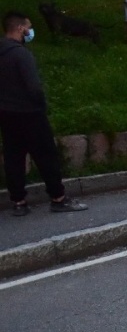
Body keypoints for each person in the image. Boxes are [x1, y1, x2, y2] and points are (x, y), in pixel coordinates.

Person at [0, 12, 88, 216]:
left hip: (5, 113)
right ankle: (58, 197)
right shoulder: (21, 54)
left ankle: (19, 202)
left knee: (14, 157)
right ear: (21, 28)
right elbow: (34, 86)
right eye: (29, 27)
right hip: (30, 113)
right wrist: (41, 105)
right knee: (46, 156)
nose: (31, 31)